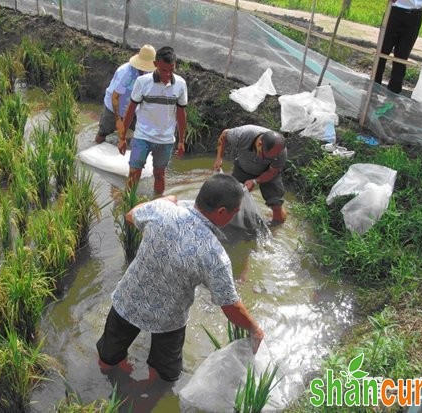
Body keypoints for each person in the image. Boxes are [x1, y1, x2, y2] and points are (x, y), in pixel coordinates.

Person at [96, 173, 265, 382]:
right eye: (234, 212)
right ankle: (146, 395)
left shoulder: (162, 210)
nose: (234, 217)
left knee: (108, 358)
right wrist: (255, 329)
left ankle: (110, 383)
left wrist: (164, 200)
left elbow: (131, 215)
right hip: (168, 320)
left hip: (128, 300)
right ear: (221, 212)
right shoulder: (214, 255)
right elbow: (230, 305)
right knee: (163, 375)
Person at [119, 46, 187, 195]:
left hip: (166, 140)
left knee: (160, 175)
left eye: (172, 70)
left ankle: (157, 204)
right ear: (156, 64)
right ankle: (128, 206)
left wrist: (181, 141)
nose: (168, 74)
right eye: (164, 70)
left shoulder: (181, 84)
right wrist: (122, 137)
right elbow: (130, 110)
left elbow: (181, 113)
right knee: (134, 174)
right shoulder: (142, 82)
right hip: (142, 136)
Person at [213, 125, 288, 225]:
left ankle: (277, 226)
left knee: (276, 204)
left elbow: (273, 172)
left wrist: (255, 181)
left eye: (269, 158)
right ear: (260, 144)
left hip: (267, 173)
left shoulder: (280, 152)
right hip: (243, 169)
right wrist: (219, 158)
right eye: (263, 155)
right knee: (231, 196)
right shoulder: (242, 135)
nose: (263, 159)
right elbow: (224, 134)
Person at [94, 44, 156, 144]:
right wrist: (118, 120)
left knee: (137, 134)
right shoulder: (126, 73)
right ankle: (93, 150)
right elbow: (115, 97)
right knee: (103, 133)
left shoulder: (150, 73)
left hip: (132, 108)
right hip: (113, 107)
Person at [374, 0, 422, 94]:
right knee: (382, 53)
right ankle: (373, 89)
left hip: (413, 16)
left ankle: (393, 95)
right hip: (394, 13)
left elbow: (417, 2)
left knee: (401, 57)